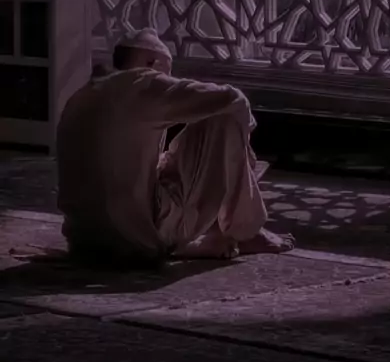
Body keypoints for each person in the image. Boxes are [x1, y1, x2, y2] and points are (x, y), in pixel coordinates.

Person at [56, 27, 295, 266]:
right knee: (224, 117)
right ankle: (246, 231)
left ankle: (188, 242)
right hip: (135, 241)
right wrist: (244, 148)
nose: (169, 78)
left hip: (84, 242)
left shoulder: (83, 94)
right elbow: (234, 98)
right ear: (151, 63)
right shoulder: (144, 82)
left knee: (161, 166)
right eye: (168, 72)